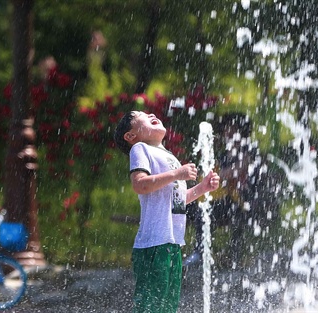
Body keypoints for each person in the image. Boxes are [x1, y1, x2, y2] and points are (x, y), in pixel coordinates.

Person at [114, 111, 220, 313]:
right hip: (153, 244)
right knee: (150, 307)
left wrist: (202, 188)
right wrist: (177, 174)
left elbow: (177, 200)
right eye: (141, 115)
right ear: (130, 136)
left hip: (172, 244)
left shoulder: (169, 156)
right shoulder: (140, 148)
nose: (151, 113)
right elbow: (140, 185)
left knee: (168, 307)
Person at [184, 113, 280, 268]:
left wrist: (217, 176)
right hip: (229, 199)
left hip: (247, 201)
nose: (227, 132)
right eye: (226, 129)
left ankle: (204, 253)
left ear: (241, 130)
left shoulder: (249, 149)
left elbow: (234, 171)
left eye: (232, 128)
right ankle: (193, 251)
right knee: (192, 205)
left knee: (206, 208)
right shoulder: (224, 153)